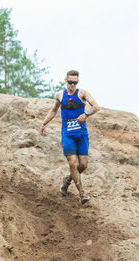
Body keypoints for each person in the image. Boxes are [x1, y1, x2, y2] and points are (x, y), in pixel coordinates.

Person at [39, 70, 100, 205]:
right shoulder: (60, 95)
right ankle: (82, 193)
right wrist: (44, 123)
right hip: (67, 134)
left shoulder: (83, 93)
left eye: (75, 82)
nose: (72, 85)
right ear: (65, 80)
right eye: (70, 82)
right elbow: (54, 110)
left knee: (83, 165)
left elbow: (96, 107)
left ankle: (67, 181)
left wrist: (86, 114)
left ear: (77, 82)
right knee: (72, 163)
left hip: (82, 134)